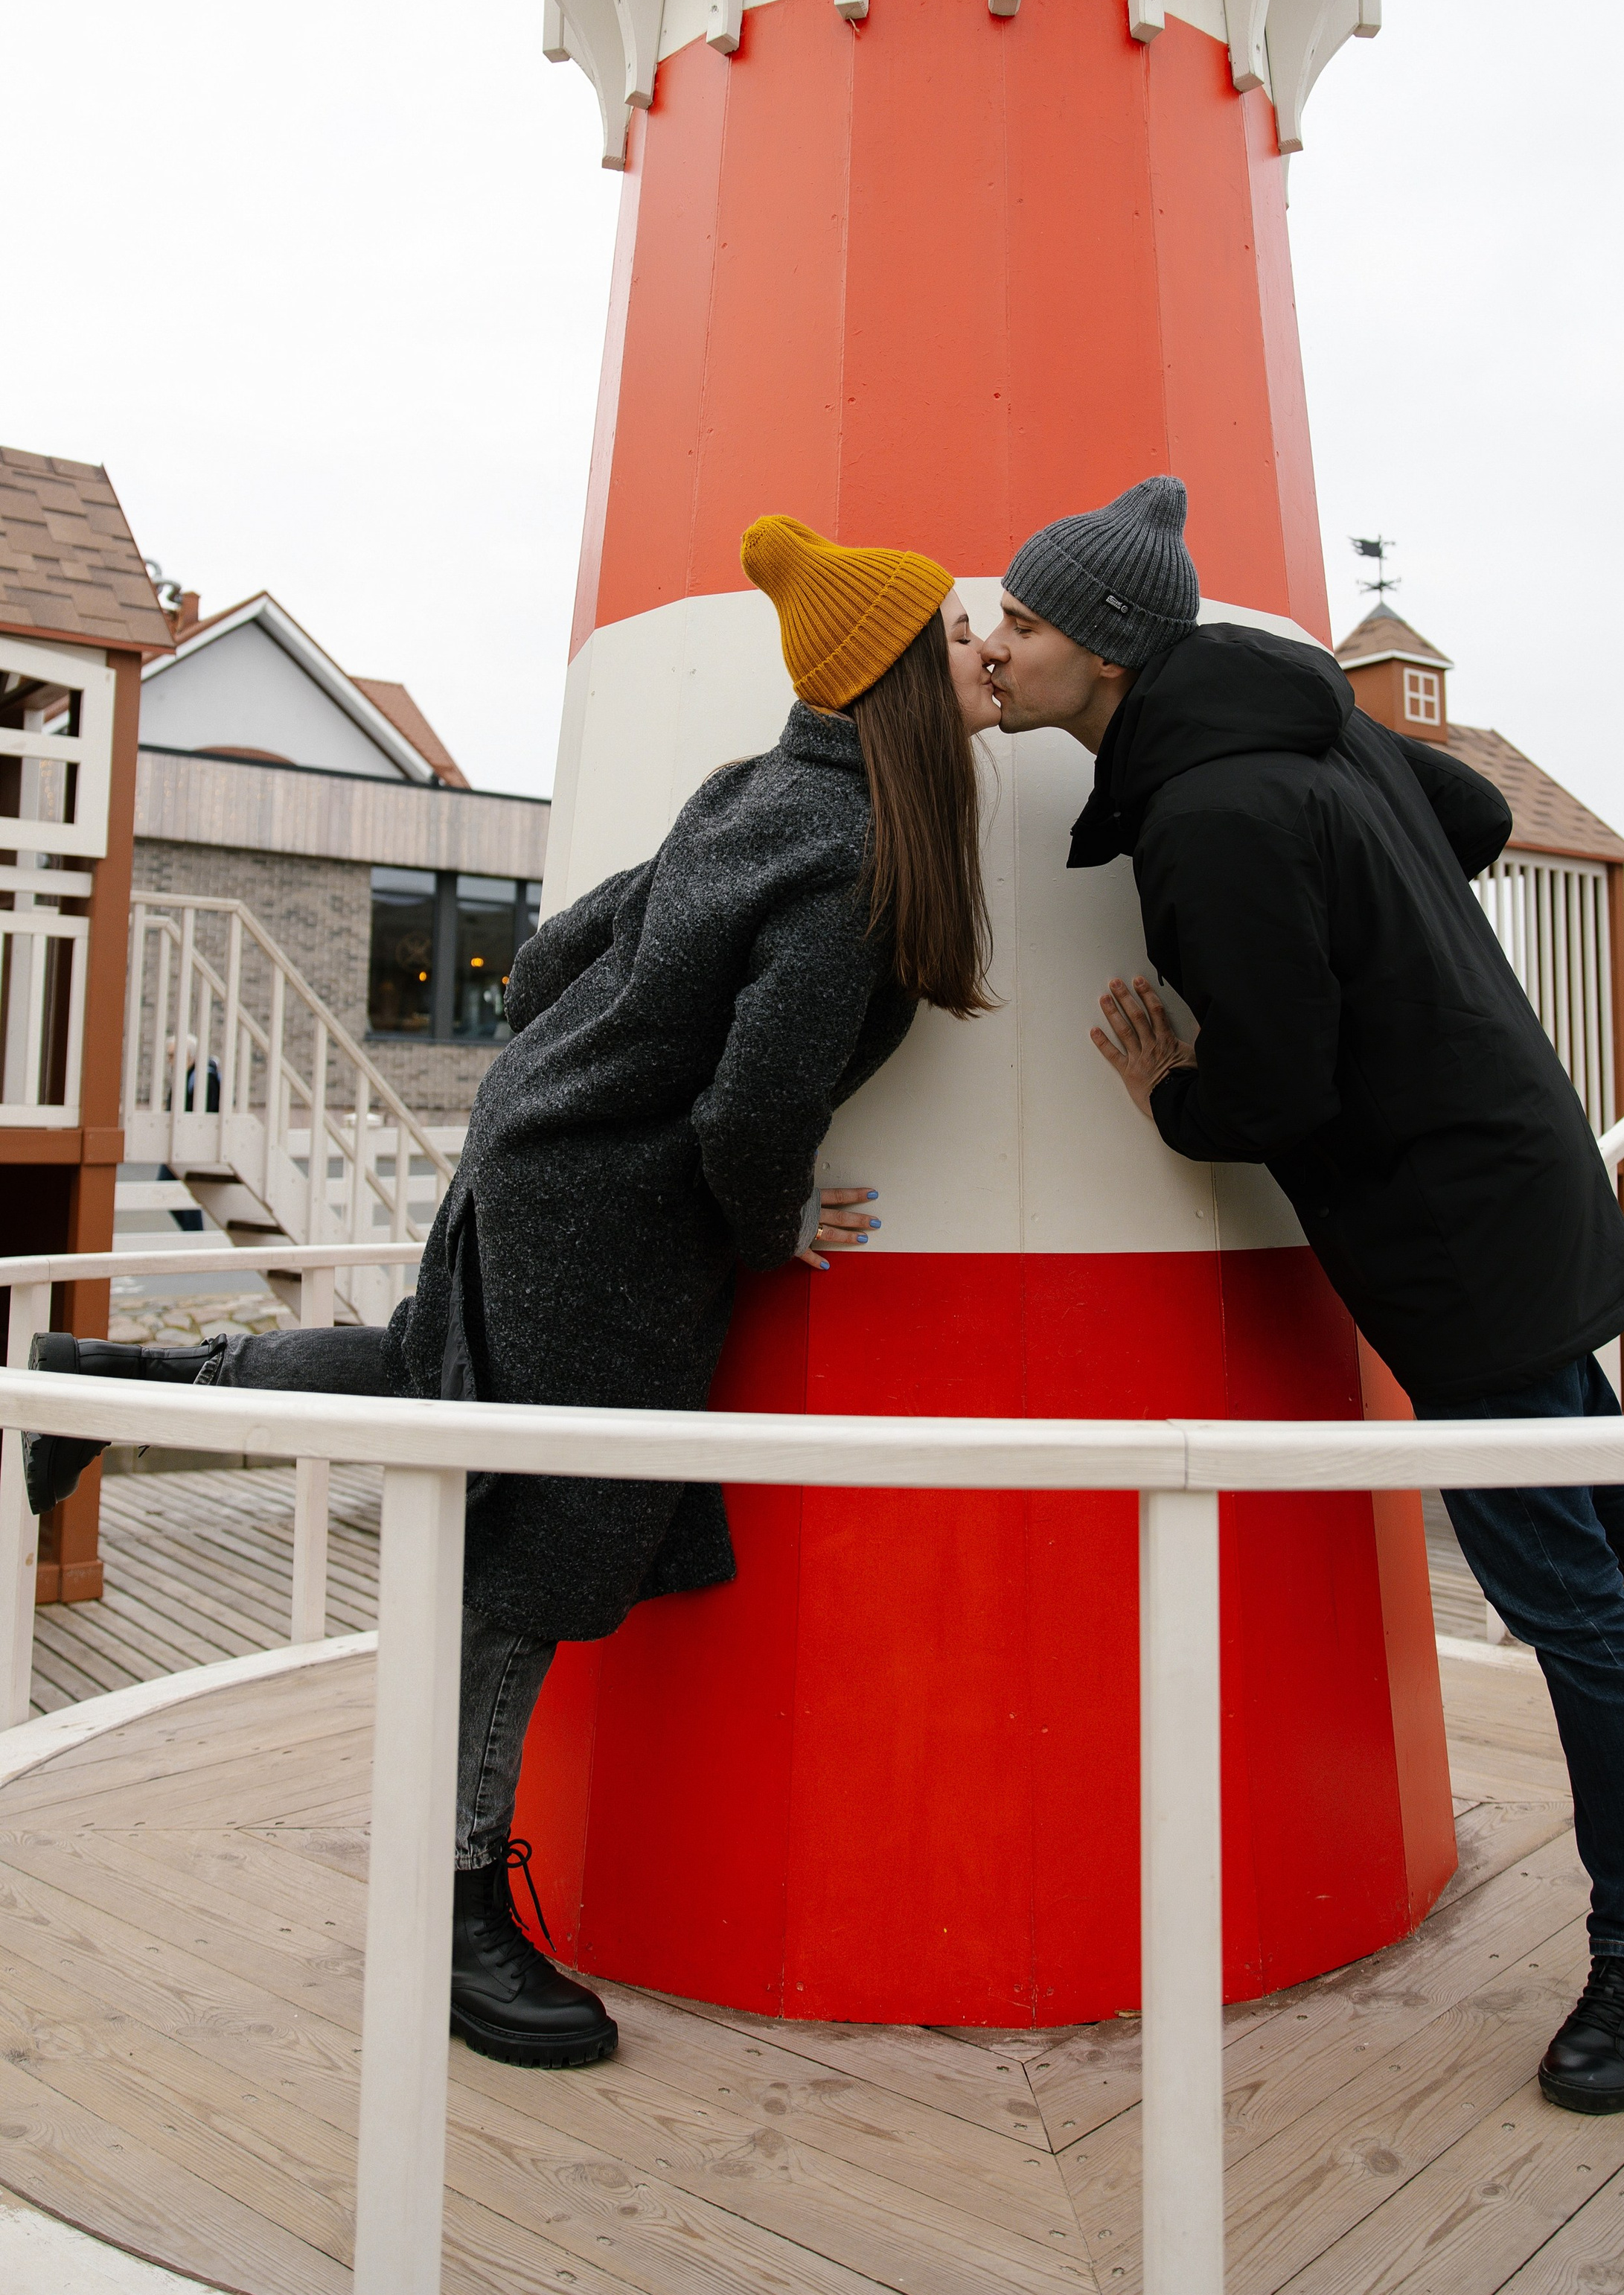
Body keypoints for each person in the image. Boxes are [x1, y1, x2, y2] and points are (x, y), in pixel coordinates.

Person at [26, 516, 1001, 2070]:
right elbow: (750, 1114)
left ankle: (121, 1378)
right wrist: (772, 1227)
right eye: (954, 629)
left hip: (540, 1159)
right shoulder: (854, 856)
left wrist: (584, 1089)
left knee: (429, 1385)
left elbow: (554, 960)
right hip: (605, 1226)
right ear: (890, 673)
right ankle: (457, 1902)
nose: (986, 643)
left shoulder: (751, 795)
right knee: (532, 1555)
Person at [980, 472, 1624, 2119]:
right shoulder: (1310, 726)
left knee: (1558, 1594)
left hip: (1446, 1222)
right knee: (1595, 1462)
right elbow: (1482, 824)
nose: (993, 645)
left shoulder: (1211, 813)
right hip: (1515, 1154)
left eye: (1018, 621)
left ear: (1101, 648)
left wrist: (1168, 1097)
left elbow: (1280, 1093)